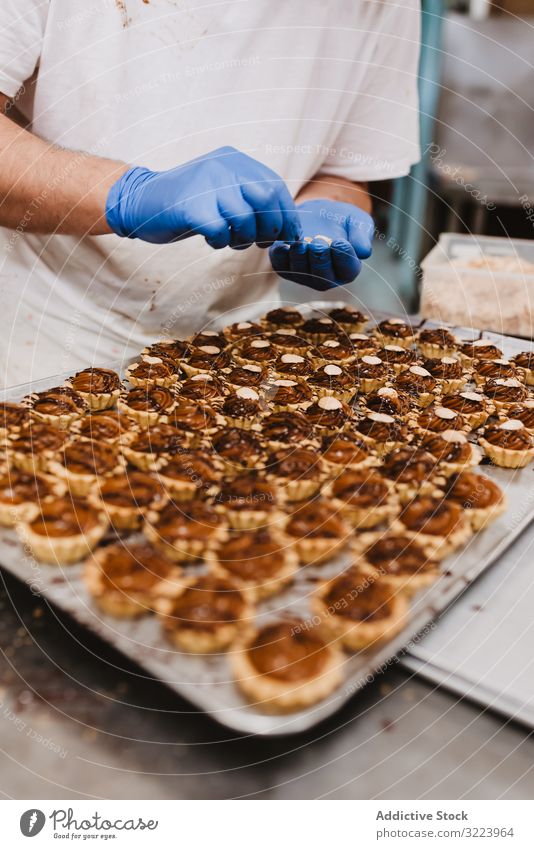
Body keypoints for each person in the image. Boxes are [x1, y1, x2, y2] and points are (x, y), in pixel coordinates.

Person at [0, 0, 420, 385]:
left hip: (232, 350)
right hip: (39, 337)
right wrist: (129, 195)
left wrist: (327, 209)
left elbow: (343, 171)